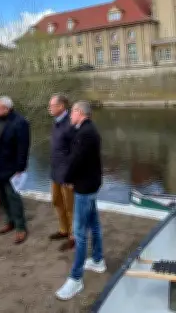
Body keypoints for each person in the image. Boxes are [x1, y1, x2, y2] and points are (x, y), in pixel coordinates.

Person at [55, 101, 106, 301]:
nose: (70, 118)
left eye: (72, 114)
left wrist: (67, 178)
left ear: (79, 112)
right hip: (91, 184)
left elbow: (76, 159)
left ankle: (76, 278)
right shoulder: (88, 130)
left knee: (80, 232)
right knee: (93, 224)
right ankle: (98, 260)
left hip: (85, 187)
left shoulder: (85, 134)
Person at [0, 96, 30, 244]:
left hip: (12, 168)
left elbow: (23, 147)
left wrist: (20, 168)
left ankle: (21, 228)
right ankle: (10, 221)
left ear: (7, 108)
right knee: (2, 197)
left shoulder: (20, 122)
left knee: (13, 198)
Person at [47, 93, 75, 251]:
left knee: (70, 206)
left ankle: (73, 235)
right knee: (56, 201)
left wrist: (71, 175)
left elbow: (74, 152)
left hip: (66, 174)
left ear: (61, 106)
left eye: (52, 105)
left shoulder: (69, 123)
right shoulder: (56, 123)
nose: (49, 108)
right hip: (55, 172)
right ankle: (64, 230)